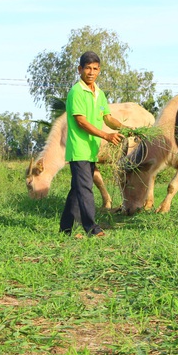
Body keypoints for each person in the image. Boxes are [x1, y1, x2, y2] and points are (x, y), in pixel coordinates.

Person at [60, 51, 128, 237]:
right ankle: (92, 228)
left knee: (77, 190)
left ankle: (64, 229)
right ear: (80, 69)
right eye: (87, 68)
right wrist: (106, 136)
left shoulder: (99, 93)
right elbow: (81, 121)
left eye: (95, 68)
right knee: (85, 189)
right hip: (78, 149)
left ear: (99, 70)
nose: (91, 72)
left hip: (91, 150)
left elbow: (107, 117)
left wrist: (124, 128)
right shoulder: (76, 92)